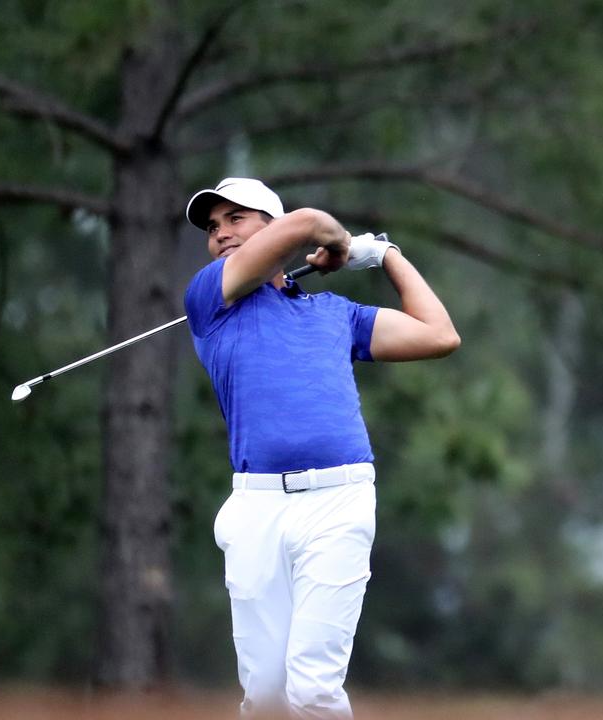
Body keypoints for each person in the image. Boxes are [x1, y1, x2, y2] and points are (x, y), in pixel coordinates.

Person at [182, 177, 460, 718]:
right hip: (256, 506)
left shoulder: (336, 315)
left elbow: (440, 335)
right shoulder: (208, 299)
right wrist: (338, 247)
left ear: (269, 226)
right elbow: (310, 222)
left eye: (236, 219)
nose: (221, 235)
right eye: (213, 227)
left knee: (312, 690)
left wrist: (383, 256)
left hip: (339, 502)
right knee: (264, 694)